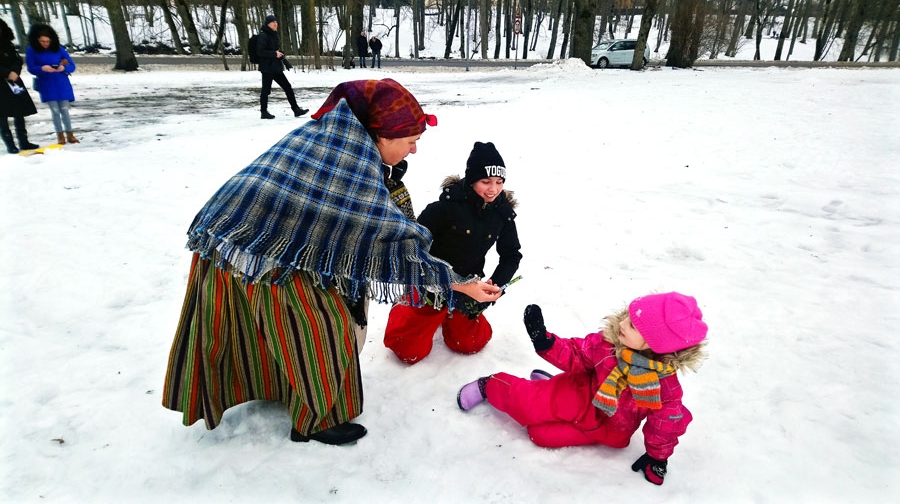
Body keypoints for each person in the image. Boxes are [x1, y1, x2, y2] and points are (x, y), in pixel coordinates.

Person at [162, 78, 502, 446]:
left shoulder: (334, 135)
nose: (415, 149)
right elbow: (390, 241)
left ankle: (287, 392)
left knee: (271, 331)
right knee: (322, 330)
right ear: (383, 135)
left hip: (234, 244)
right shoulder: (348, 159)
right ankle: (314, 420)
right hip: (261, 256)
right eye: (410, 141)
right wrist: (459, 282)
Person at [457, 292, 708, 486]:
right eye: (628, 317)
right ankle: (490, 385)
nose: (623, 323)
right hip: (578, 395)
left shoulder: (663, 386)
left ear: (655, 345)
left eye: (633, 326)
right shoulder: (608, 346)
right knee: (527, 408)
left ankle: (544, 385)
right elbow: (577, 354)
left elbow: (666, 423)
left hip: (605, 430)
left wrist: (658, 457)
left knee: (539, 435)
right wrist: (544, 341)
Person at [383, 142, 521, 364]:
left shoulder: (502, 215)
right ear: (472, 180)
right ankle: (406, 305)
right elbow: (413, 248)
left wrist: (496, 285)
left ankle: (452, 316)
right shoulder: (445, 208)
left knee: (471, 344)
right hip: (431, 284)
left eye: (499, 182)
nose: (493, 189)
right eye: (486, 181)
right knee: (408, 352)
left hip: (469, 287)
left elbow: (512, 254)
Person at [25, 23, 79, 145]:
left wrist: (63, 68)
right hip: (47, 84)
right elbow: (31, 68)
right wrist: (42, 68)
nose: (45, 44)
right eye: (42, 41)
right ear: (36, 40)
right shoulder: (32, 50)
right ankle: (60, 135)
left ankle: (70, 134)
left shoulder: (59, 49)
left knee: (65, 110)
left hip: (61, 83)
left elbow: (71, 66)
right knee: (55, 111)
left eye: (47, 41)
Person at [255, 15, 307, 120]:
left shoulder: (273, 35)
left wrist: (284, 60)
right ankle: (264, 112)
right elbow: (260, 51)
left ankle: (296, 109)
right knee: (266, 90)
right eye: (273, 22)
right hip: (267, 68)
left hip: (276, 67)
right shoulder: (263, 36)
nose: (275, 24)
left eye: (276, 22)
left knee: (288, 87)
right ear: (268, 24)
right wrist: (274, 54)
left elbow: (276, 50)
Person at [0, 18, 39, 154]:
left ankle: (24, 141)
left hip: (14, 82)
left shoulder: (8, 44)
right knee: (2, 116)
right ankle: (10, 144)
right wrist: (6, 72)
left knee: (19, 113)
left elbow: (17, 60)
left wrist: (15, 71)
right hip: (2, 83)